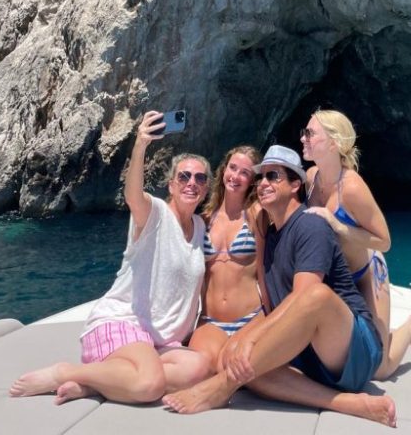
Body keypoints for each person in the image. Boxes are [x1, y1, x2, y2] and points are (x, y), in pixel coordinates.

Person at [163, 144, 396, 426]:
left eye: (273, 177)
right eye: (261, 178)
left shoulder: (310, 225)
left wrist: (252, 336)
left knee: (315, 296)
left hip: (353, 350)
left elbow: (304, 300)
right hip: (312, 357)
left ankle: (220, 388)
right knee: (242, 364)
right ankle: (348, 403)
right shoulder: (271, 231)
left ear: (296, 184)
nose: (263, 183)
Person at [9, 110, 212, 405]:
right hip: (124, 324)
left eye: (199, 178)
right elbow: (133, 196)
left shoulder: (200, 227)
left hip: (160, 343)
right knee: (149, 385)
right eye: (184, 176)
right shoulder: (154, 214)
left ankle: (96, 384)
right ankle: (66, 372)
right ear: (171, 184)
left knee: (199, 368)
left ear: (206, 188)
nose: (191, 182)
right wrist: (141, 143)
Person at [302, 109, 411, 378]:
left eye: (310, 133)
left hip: (366, 275)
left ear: (334, 143)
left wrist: (337, 225)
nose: (303, 138)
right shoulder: (311, 178)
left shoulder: (351, 187)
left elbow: (384, 242)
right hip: (334, 279)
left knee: (379, 369)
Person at [188, 146, 265, 367]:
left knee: (236, 366)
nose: (236, 176)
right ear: (223, 170)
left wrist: (274, 317)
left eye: (245, 172)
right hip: (210, 322)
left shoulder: (256, 215)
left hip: (251, 318)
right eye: (233, 168)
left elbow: (264, 271)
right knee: (200, 368)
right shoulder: (203, 219)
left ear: (252, 180)